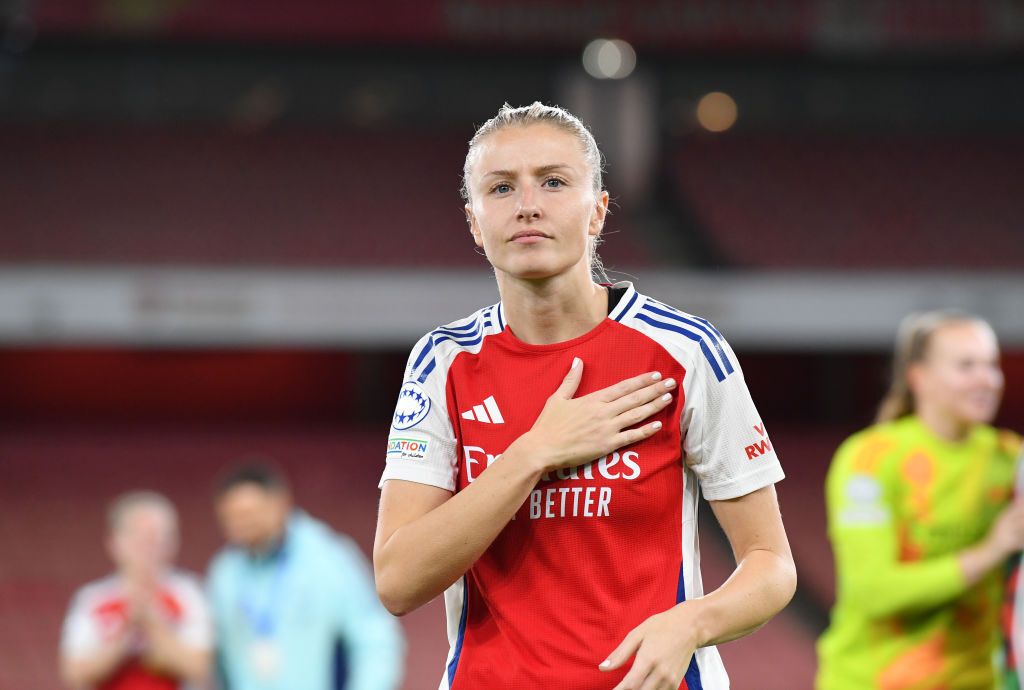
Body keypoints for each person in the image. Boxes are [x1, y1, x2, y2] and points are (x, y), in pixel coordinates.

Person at [374, 102, 796, 689]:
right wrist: (533, 453)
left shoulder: (686, 351)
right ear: (475, 223)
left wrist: (692, 624)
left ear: (596, 210)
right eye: (500, 188)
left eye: (553, 181)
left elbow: (771, 564)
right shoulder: (444, 361)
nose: (527, 204)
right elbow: (397, 580)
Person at [816, 310, 1024, 689]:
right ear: (919, 377)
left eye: (992, 364)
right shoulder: (871, 458)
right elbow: (874, 591)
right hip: (871, 681)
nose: (988, 379)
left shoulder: (1011, 460)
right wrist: (991, 549)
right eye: (966, 366)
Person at [207, 463, 404, 690]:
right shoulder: (224, 573)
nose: (242, 525)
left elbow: (376, 641)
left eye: (248, 513)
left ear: (279, 503)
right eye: (231, 517)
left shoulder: (329, 559)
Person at [59, 491, 212, 690]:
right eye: (138, 536)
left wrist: (152, 624)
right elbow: (75, 673)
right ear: (114, 542)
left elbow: (199, 667)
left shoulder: (190, 594)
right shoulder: (93, 599)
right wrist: (125, 631)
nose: (149, 546)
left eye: (158, 536)